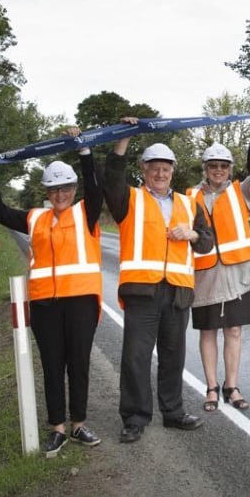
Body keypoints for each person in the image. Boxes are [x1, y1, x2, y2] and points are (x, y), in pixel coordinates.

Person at [0, 128, 103, 458]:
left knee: (78, 364)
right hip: (44, 303)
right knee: (51, 365)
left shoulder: (86, 213)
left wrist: (85, 152)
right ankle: (57, 429)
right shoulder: (35, 218)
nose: (60, 193)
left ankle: (78, 424)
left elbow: (95, 187)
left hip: (81, 302)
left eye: (65, 187)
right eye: (53, 189)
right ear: (46, 191)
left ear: (73, 189)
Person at [101, 122, 215, 442]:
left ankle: (173, 413)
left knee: (173, 355)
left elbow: (206, 241)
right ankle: (135, 417)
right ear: (143, 170)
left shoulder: (188, 204)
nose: (160, 174)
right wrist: (122, 140)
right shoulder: (130, 199)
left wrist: (191, 233)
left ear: (172, 171)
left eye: (165, 168)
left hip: (178, 292)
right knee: (136, 356)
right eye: (154, 168)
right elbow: (111, 179)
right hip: (142, 291)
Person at [187, 119, 250, 412]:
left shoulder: (241, 191)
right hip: (205, 275)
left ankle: (231, 386)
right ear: (205, 168)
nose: (218, 170)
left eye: (223, 165)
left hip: (238, 274)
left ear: (230, 169)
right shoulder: (189, 197)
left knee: (234, 330)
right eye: (213, 165)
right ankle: (211, 387)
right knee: (208, 332)